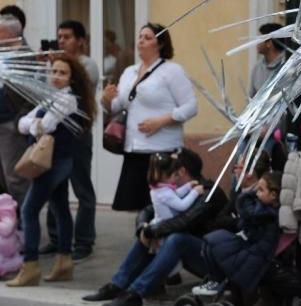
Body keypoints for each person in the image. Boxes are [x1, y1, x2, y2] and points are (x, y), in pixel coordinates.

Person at [82, 148, 229, 306]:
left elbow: (184, 222)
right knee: (150, 232)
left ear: (181, 171)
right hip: (190, 252)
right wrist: (143, 228)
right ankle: (117, 285)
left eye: (169, 169)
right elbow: (148, 210)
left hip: (212, 261)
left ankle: (136, 292)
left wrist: (152, 230)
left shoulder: (208, 193)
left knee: (175, 238)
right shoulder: (171, 190)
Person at [6, 54, 94, 286]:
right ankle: (64, 261)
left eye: (62, 73)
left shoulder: (67, 100)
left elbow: (44, 126)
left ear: (72, 78)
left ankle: (31, 265)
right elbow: (22, 123)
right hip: (56, 160)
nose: (55, 76)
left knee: (29, 210)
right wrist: (33, 125)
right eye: (53, 71)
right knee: (60, 208)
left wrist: (33, 125)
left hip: (55, 162)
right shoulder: (51, 98)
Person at [101, 23, 197, 211]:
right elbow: (117, 106)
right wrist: (106, 99)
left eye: (148, 37)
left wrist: (161, 121)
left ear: (160, 44)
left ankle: (159, 240)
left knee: (160, 208)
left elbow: (191, 107)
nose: (141, 41)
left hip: (162, 150)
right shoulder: (130, 72)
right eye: (140, 37)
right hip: (134, 148)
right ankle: (144, 238)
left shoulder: (172, 70)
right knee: (136, 208)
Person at [41, 20, 99, 262]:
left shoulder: (88, 65)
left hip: (77, 133)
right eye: (60, 36)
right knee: (56, 187)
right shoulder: (54, 66)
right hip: (57, 134)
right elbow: (45, 95)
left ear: (80, 41)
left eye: (67, 37)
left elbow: (79, 89)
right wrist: (47, 66)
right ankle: (57, 239)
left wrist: (62, 68)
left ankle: (84, 240)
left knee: (82, 187)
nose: (62, 41)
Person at [193, 171, 281, 298]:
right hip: (248, 246)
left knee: (215, 243)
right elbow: (242, 222)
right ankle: (214, 280)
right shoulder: (261, 208)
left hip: (253, 253)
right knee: (210, 242)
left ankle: (217, 281)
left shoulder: (267, 214)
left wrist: (249, 194)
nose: (257, 193)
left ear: (273, 195)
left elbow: (247, 214)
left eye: (261, 190)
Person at [0, 15, 34, 206]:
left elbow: (30, 96)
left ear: (12, 34)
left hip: (10, 124)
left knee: (15, 178)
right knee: (4, 179)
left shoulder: (25, 57)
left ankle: (24, 224)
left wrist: (18, 122)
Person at [148, 153, 203, 226]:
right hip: (166, 226)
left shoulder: (158, 189)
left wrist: (188, 186)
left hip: (162, 222)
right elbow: (182, 206)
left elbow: (175, 195)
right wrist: (195, 192)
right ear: (166, 177)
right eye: (175, 175)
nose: (177, 177)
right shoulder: (164, 193)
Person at [249, 23, 286, 98]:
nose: (256, 42)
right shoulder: (257, 68)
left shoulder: (288, 64)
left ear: (269, 43)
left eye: (259, 39)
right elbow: (251, 98)